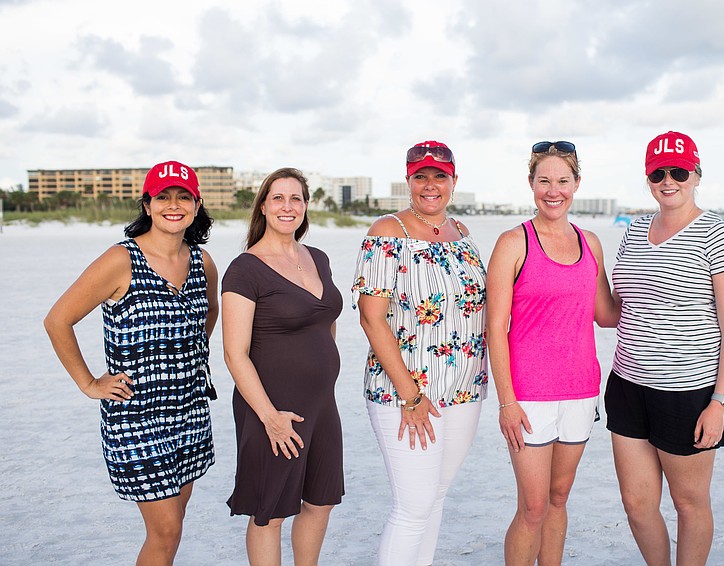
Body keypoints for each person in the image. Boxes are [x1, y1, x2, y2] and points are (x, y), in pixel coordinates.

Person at [44, 160, 218, 565]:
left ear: (197, 205)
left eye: (183, 197)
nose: (173, 205)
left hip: (190, 411)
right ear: (147, 205)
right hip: (136, 416)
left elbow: (209, 311)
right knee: (166, 530)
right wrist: (89, 383)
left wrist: (186, 358)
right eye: (163, 197)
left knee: (172, 527)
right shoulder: (121, 259)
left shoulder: (202, 261)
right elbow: (57, 321)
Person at [605, 132, 724, 566]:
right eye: (658, 173)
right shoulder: (634, 230)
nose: (668, 181)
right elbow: (615, 309)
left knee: (689, 503)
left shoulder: (717, 236)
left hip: (687, 393)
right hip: (627, 385)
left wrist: (719, 402)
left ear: (697, 175)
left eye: (679, 172)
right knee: (637, 504)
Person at [352, 140, 488, 566]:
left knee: (434, 499)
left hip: (464, 390)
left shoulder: (462, 233)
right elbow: (371, 318)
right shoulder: (387, 232)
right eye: (421, 176)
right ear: (408, 181)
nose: (431, 185)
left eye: (439, 176)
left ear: (454, 181)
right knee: (412, 508)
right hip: (406, 393)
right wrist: (410, 395)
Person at [486, 140, 620, 565]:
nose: (553, 190)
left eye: (563, 181)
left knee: (559, 498)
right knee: (533, 507)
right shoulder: (513, 242)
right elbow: (494, 328)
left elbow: (607, 314)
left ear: (576, 184)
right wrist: (506, 402)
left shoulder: (591, 243)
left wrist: (658, 283)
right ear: (531, 184)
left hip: (580, 390)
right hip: (528, 396)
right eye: (544, 181)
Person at [222, 168, 344, 566]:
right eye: (278, 198)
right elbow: (234, 353)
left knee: (321, 501)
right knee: (269, 513)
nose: (287, 206)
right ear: (263, 206)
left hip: (321, 405)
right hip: (272, 408)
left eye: (296, 198)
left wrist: (321, 370)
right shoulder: (245, 269)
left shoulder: (318, 258)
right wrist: (269, 416)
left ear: (306, 206)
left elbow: (325, 321)